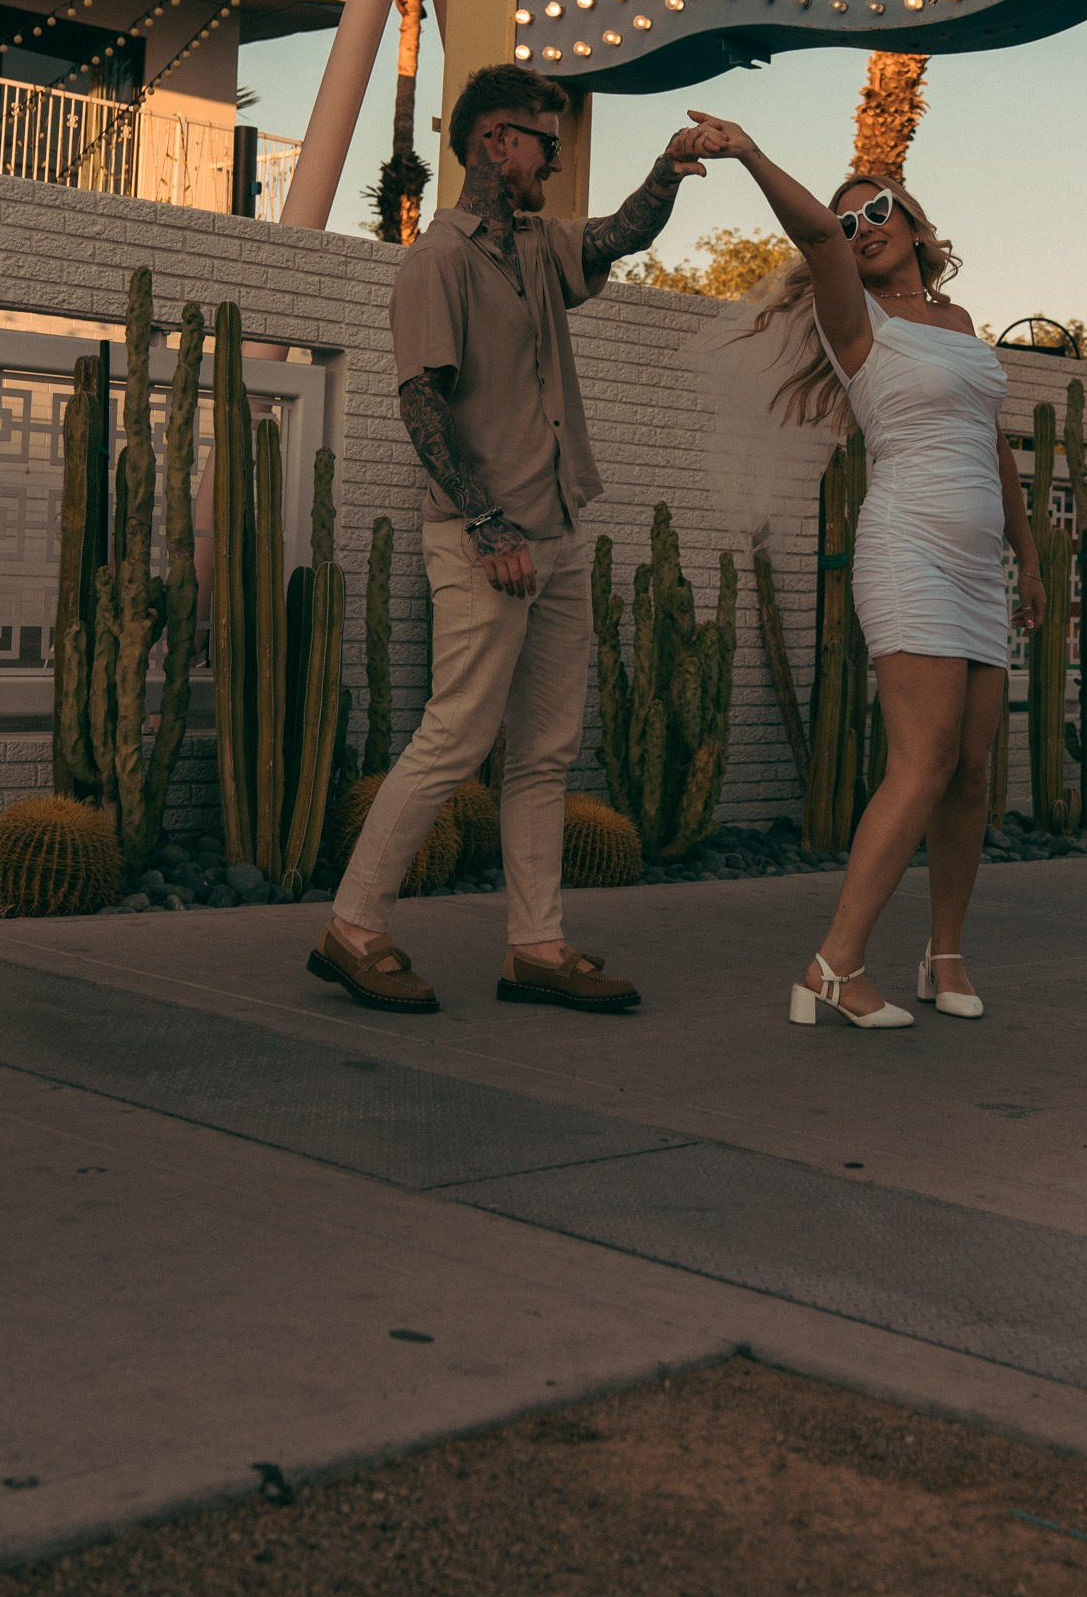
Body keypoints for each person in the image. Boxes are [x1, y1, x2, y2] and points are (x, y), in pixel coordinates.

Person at [310, 64, 711, 1018]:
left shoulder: (537, 244)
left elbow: (616, 235)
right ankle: (353, 927)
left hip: (559, 530)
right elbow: (420, 400)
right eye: (545, 142)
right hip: (484, 540)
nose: (555, 161)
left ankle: (536, 945)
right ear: (497, 140)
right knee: (455, 736)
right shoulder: (437, 258)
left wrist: (666, 170)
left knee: (544, 754)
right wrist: (486, 523)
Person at [688, 114, 1047, 1027]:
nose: (861, 227)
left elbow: (993, 447)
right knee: (921, 763)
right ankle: (834, 966)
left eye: (879, 209)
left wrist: (1030, 559)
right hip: (909, 552)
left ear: (918, 225)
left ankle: (946, 954)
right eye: (848, 223)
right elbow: (810, 233)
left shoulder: (962, 323)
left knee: (970, 771)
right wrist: (749, 152)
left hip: (978, 571)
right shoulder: (855, 318)